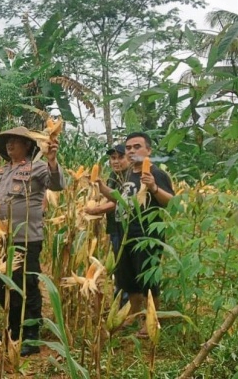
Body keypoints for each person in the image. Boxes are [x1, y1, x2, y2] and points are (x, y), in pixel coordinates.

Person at [0, 126, 64, 356]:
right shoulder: (0, 173)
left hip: (26, 237)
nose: (10, 145)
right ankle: (13, 329)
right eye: (8, 142)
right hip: (0, 237)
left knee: (27, 284)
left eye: (15, 141)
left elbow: (57, 184)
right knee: (3, 284)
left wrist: (52, 159)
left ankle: (31, 335)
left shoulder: (38, 167)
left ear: (28, 146)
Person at [97, 132, 174, 336]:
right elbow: (118, 198)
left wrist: (154, 187)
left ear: (148, 150)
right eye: (128, 147)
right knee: (128, 281)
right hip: (125, 236)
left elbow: (171, 202)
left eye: (136, 147)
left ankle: (151, 322)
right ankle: (135, 317)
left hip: (146, 236)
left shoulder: (156, 173)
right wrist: (101, 186)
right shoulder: (128, 174)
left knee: (148, 281)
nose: (131, 151)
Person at [85, 143, 129, 278]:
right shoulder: (113, 175)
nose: (116, 161)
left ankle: (123, 294)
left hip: (124, 229)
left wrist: (95, 210)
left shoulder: (129, 176)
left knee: (123, 264)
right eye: (113, 158)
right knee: (116, 261)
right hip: (114, 226)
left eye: (120, 157)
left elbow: (120, 202)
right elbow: (109, 197)